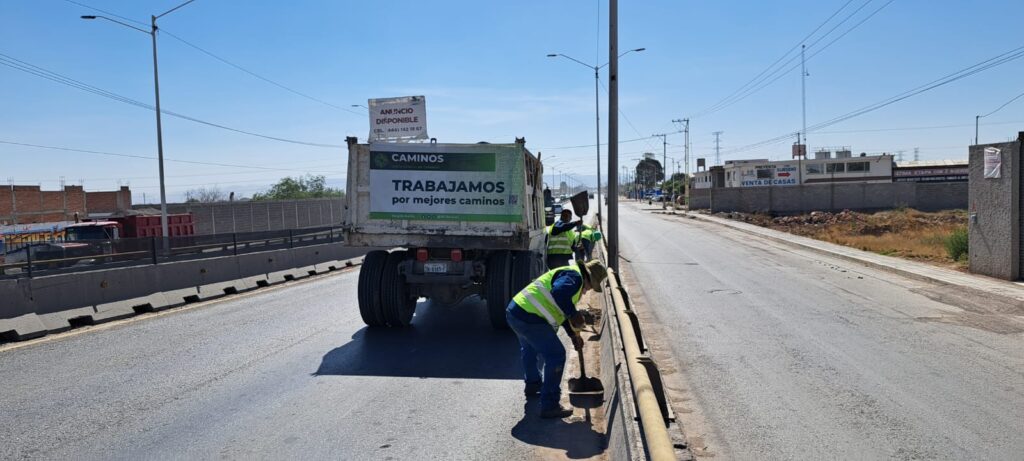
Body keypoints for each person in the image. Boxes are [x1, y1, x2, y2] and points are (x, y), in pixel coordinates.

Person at [505, 260, 609, 418]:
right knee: (556, 355)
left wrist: (573, 335)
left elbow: (560, 311)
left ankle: (533, 385)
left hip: (516, 312)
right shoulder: (575, 277)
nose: (587, 291)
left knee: (529, 349)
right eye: (590, 286)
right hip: (530, 318)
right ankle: (550, 404)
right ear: (588, 277)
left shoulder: (569, 273)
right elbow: (559, 294)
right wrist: (574, 314)